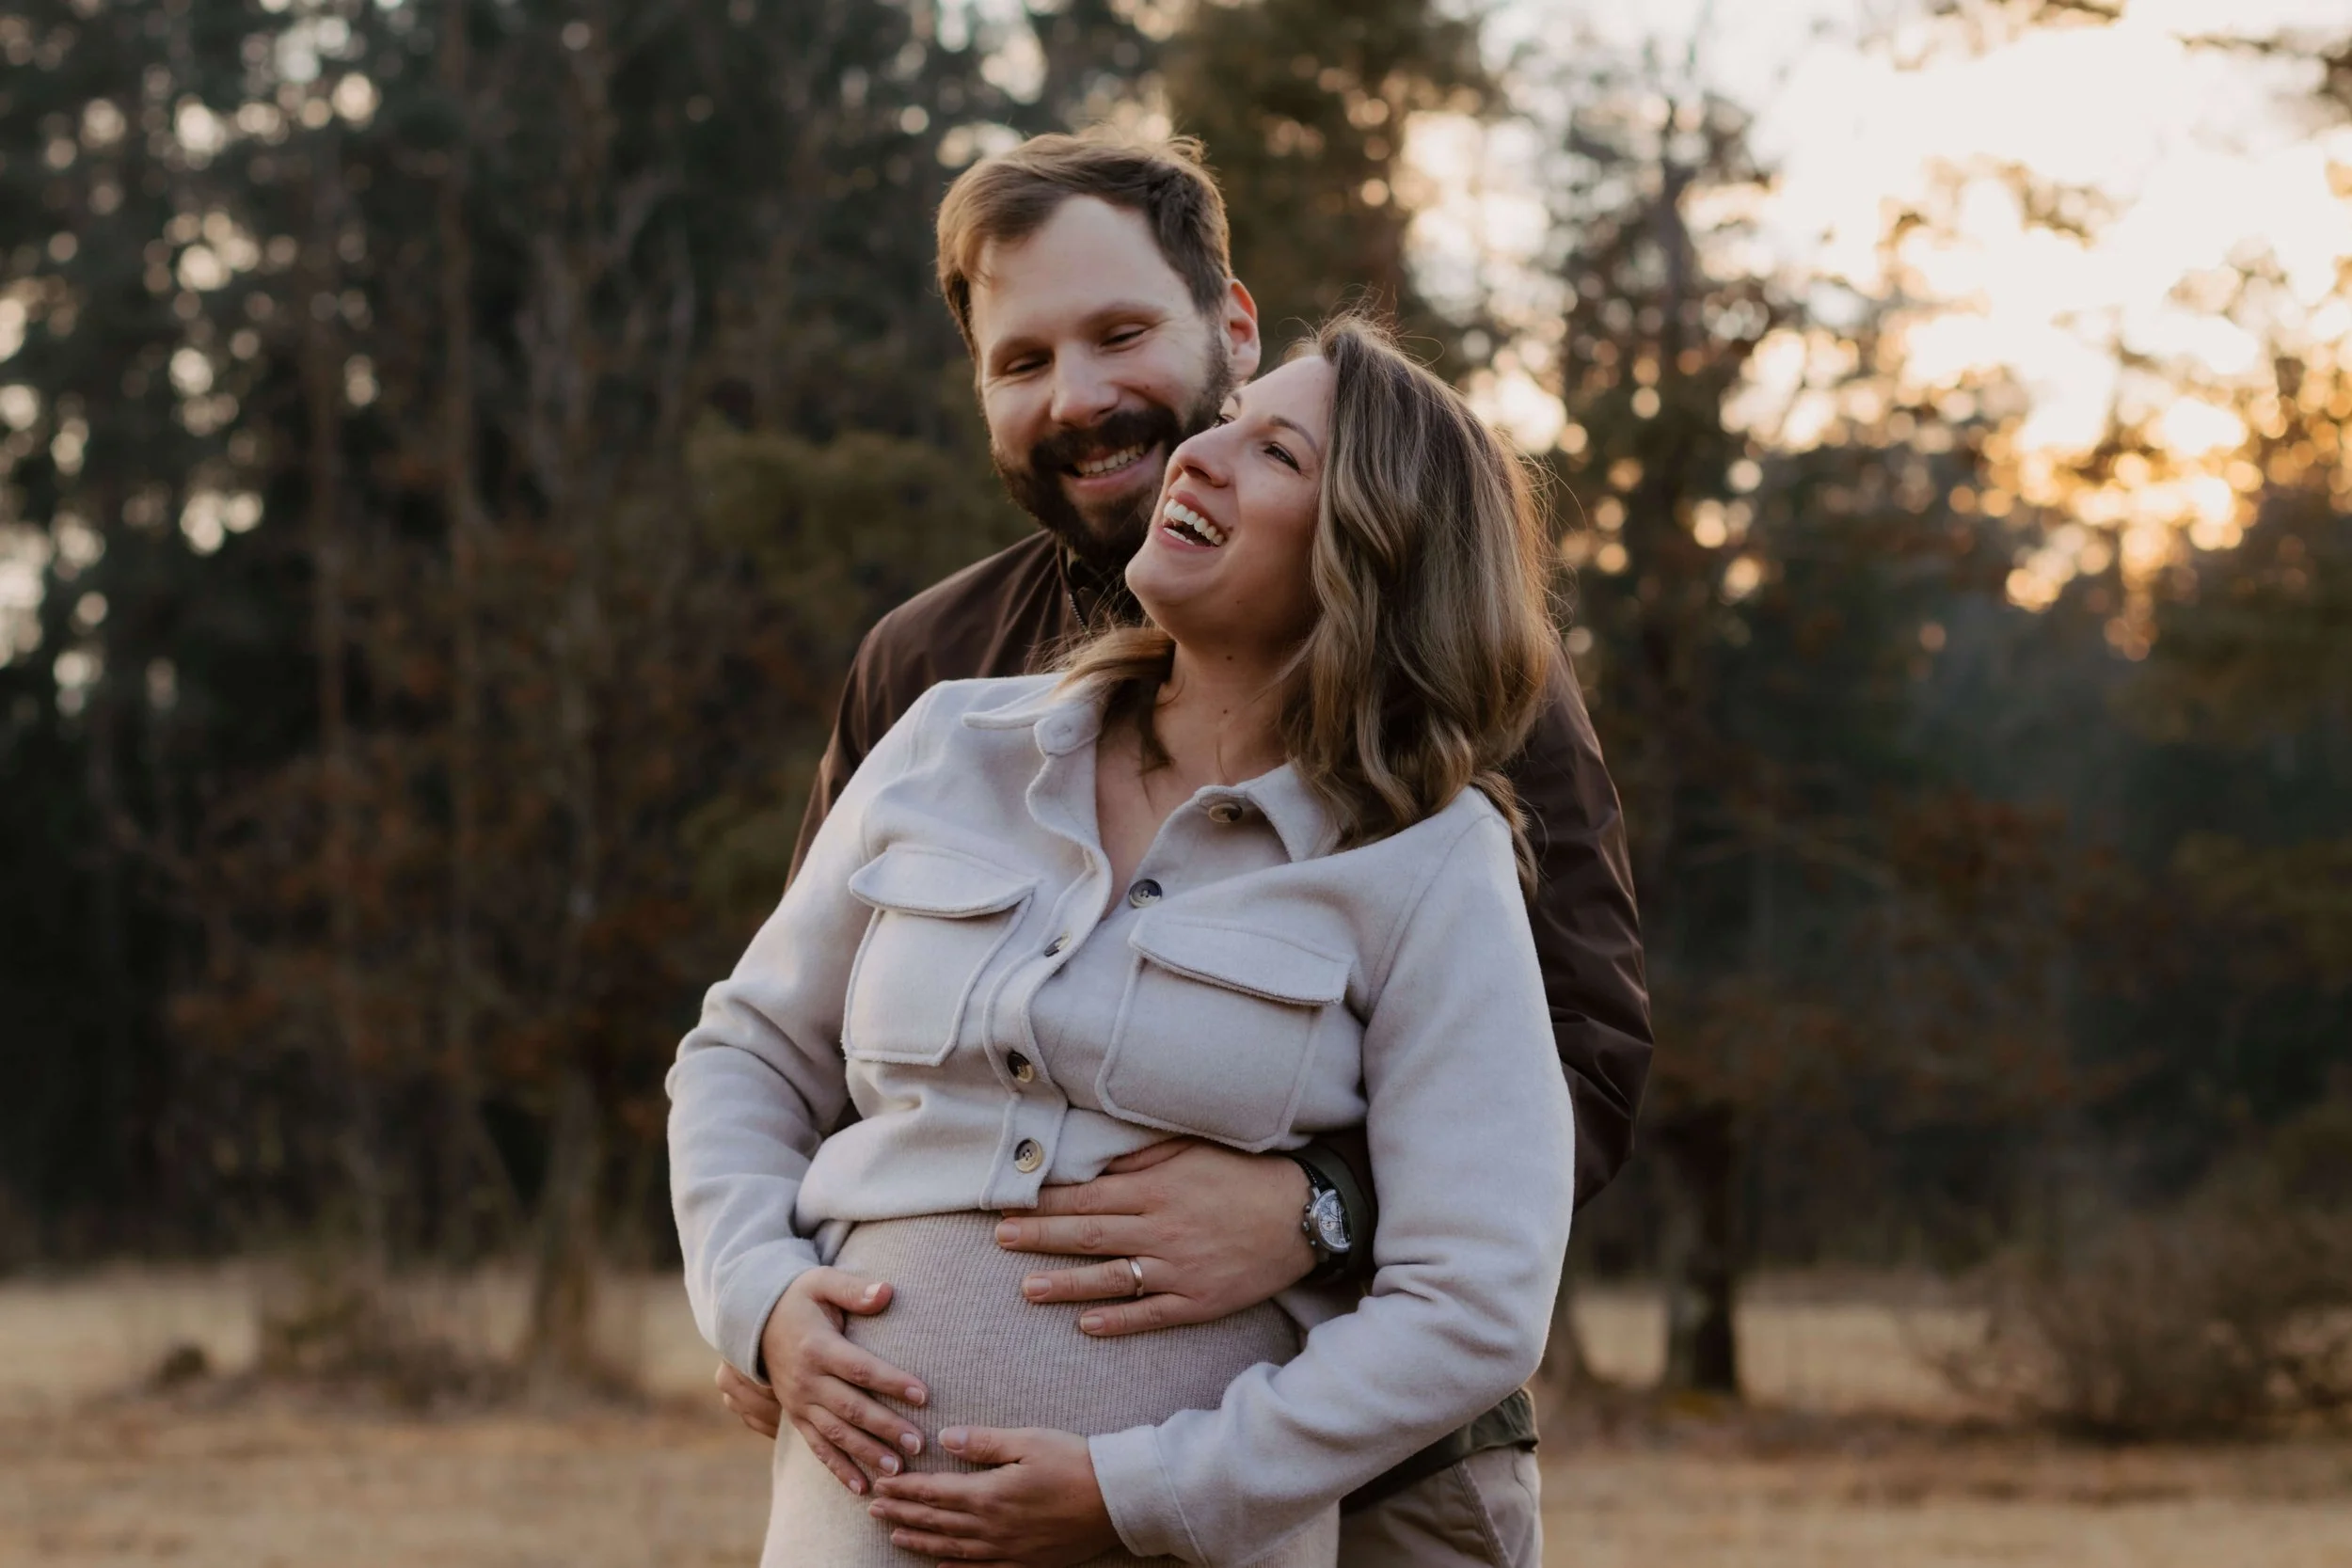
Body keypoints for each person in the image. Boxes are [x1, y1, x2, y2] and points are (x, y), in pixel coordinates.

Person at [703, 133, 1652, 1566]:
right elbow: (792, 1050)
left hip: (1370, 1475)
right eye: (1021, 362)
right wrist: (764, 1289)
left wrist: (1324, 1207)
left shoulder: (1445, 709)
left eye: (1120, 334)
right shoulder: (934, 679)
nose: (1078, 397)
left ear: (1233, 327)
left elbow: (1572, 1054)